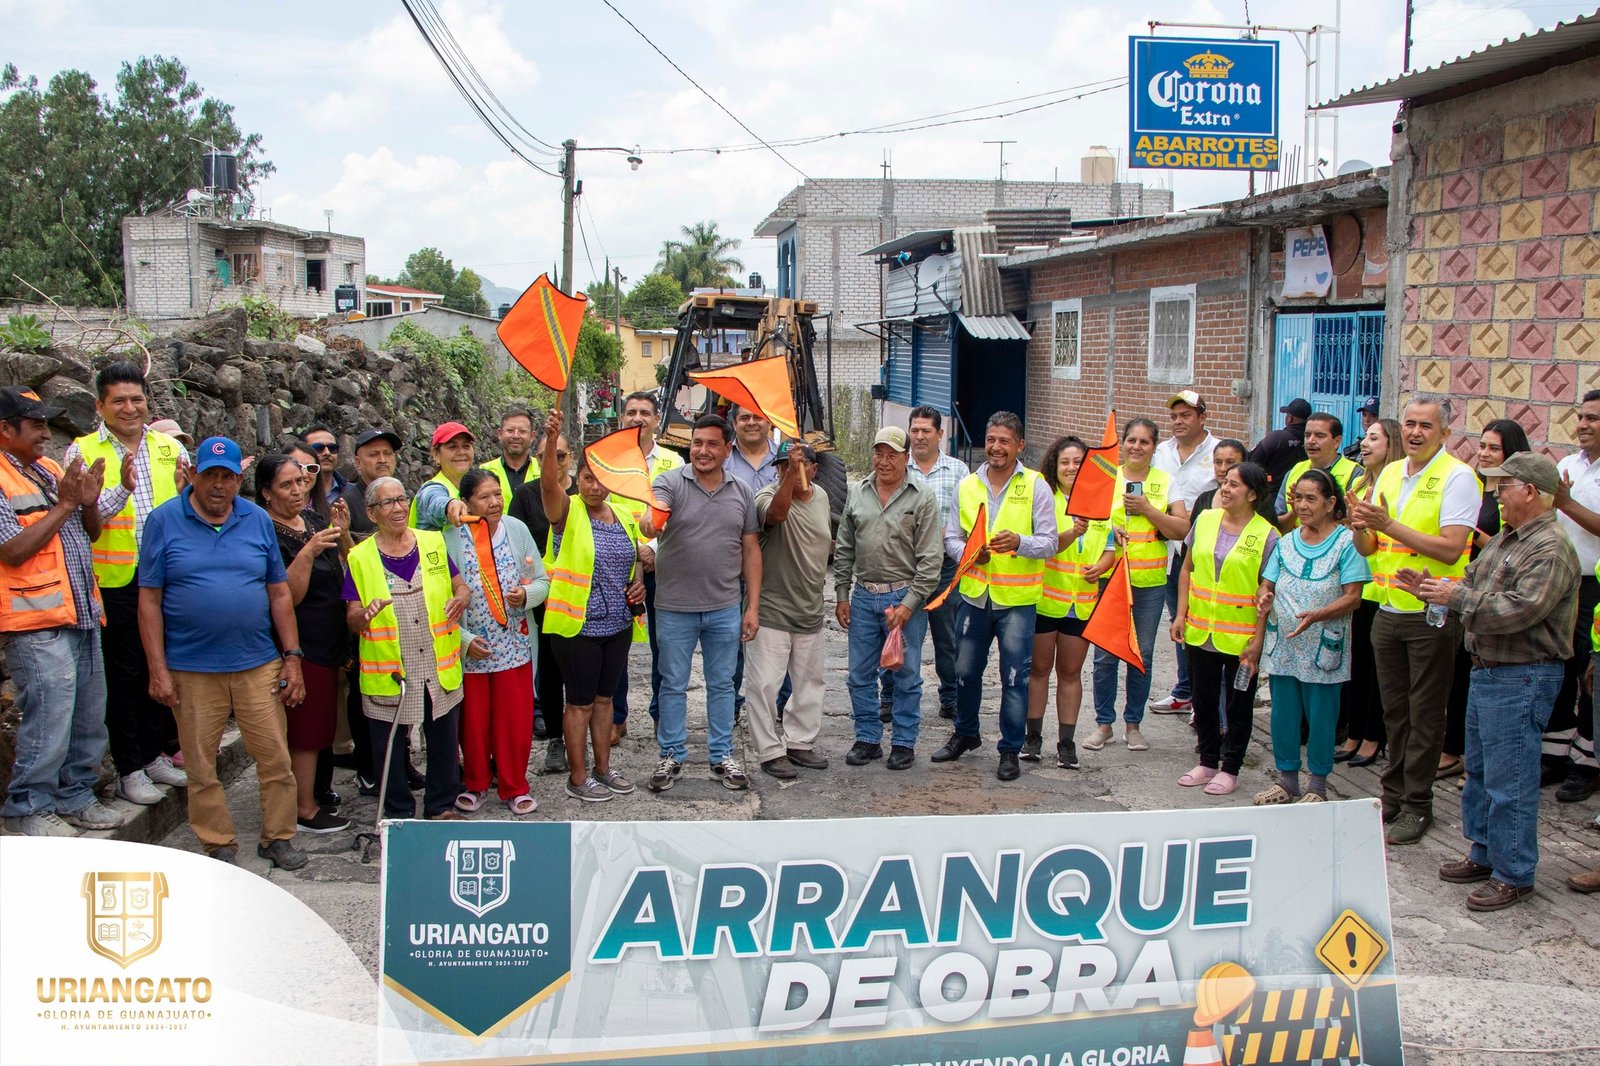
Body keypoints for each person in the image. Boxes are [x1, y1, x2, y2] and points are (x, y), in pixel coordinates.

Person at [1400, 452, 1578, 911]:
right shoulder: (1507, 539)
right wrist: (1431, 588)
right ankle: (1484, 853)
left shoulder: (1551, 547)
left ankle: (1515, 873)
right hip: (1491, 671)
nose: (1496, 493)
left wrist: (1456, 595)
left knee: (1510, 780)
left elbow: (1522, 609)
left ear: (1531, 493)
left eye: (1505, 485)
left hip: (1524, 674)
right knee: (1480, 773)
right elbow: (1473, 585)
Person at [139, 436, 308, 868]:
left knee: (275, 757)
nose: (219, 485)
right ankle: (218, 843)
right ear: (193, 474)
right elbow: (150, 600)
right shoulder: (164, 521)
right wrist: (157, 668)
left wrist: (292, 656)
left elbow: (278, 593)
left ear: (239, 479)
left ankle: (278, 836)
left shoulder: (255, 519)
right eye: (210, 475)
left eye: (228, 477)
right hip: (191, 667)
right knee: (199, 763)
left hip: (257, 662)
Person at [1348, 395, 1481, 846]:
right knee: (1394, 712)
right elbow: (1370, 548)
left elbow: (1449, 548)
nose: (1416, 432)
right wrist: (1359, 525)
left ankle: (1418, 805)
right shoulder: (1389, 472)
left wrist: (1384, 524)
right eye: (1409, 423)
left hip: (1431, 612)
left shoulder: (1458, 477)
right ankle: (1392, 795)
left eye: (1427, 425)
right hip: (1387, 607)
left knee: (1425, 713)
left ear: (1445, 432)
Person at [0, 387, 123, 837]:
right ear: (5, 430)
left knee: (89, 715)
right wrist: (69, 502)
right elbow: (12, 551)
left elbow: (87, 532)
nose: (46, 435)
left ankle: (76, 796)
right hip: (37, 622)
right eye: (36, 426)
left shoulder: (50, 470)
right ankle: (28, 807)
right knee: (49, 717)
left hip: (83, 610)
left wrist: (88, 501)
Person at [65, 361, 188, 807]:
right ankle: (130, 767)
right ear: (100, 405)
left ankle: (155, 754)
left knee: (162, 667)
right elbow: (85, 523)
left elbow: (183, 512)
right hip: (115, 581)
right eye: (119, 400)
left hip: (166, 580)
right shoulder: (81, 452)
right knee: (126, 674)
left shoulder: (169, 448)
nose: (129, 407)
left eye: (137, 399)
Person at [933, 412, 1057, 782]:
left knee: (1014, 677)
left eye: (1004, 441)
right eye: (991, 439)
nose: (995, 447)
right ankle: (966, 733)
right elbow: (952, 538)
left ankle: (1009, 749)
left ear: (1019, 445)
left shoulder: (1036, 486)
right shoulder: (968, 486)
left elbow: (1050, 542)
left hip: (1017, 603)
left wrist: (1020, 543)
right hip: (973, 597)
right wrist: (969, 553)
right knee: (965, 672)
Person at [642, 414, 760, 792]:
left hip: (725, 606)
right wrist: (651, 520)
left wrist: (752, 606)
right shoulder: (670, 482)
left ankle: (721, 755)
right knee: (672, 684)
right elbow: (652, 515)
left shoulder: (742, 491)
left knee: (723, 684)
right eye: (697, 443)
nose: (702, 451)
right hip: (674, 606)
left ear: (728, 449)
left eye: (712, 444)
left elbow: (751, 551)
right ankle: (671, 754)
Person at [344, 475, 471, 822]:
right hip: (390, 670)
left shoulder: (433, 543)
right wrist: (364, 616)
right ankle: (397, 812)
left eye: (402, 499)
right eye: (388, 502)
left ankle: (441, 806)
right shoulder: (360, 557)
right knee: (388, 746)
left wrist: (461, 600)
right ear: (371, 513)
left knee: (444, 738)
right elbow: (352, 615)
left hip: (436, 661)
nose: (398, 508)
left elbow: (461, 587)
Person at [538, 416, 645, 803]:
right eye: (587, 478)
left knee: (605, 701)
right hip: (577, 627)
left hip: (617, 625)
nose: (594, 486)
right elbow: (549, 485)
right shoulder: (567, 512)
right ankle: (578, 777)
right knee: (579, 704)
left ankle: (603, 768)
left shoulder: (621, 515)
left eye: (600, 479)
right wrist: (551, 443)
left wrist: (636, 581)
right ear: (577, 480)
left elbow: (630, 561)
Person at [1254, 468, 1370, 804]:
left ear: (1331, 502)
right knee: (1284, 714)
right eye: (1297, 498)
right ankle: (1287, 781)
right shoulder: (1287, 541)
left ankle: (1317, 786)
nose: (1302, 506)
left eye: (1310, 499)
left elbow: (1353, 597)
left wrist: (1318, 615)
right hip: (1286, 643)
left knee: (1322, 718)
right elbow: (1268, 583)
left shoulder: (1346, 544)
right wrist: (1264, 595)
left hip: (1323, 644)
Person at [835, 427, 943, 771]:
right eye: (878, 453)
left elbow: (931, 560)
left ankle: (903, 742)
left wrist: (909, 605)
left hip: (904, 597)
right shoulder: (858, 493)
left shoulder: (921, 497)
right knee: (859, 675)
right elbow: (844, 547)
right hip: (864, 596)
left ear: (905, 457)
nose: (883, 461)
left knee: (906, 674)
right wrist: (841, 594)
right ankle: (867, 738)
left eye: (892, 454)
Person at [256, 454, 353, 834]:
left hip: (328, 640)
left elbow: (345, 566)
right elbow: (287, 596)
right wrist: (310, 552)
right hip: (301, 643)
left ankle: (313, 794)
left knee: (321, 725)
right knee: (306, 730)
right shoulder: (268, 532)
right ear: (266, 493)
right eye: (286, 485)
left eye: (300, 481)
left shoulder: (312, 519)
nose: (298, 490)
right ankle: (303, 808)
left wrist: (342, 533)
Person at [1171, 461, 1278, 797]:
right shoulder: (1204, 519)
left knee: (1237, 705)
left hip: (1240, 637)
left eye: (1235, 484)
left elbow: (1266, 591)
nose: (1226, 488)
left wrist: (1257, 642)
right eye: (1225, 482)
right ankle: (1207, 761)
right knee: (1202, 700)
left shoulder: (1267, 535)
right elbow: (1187, 568)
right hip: (1200, 629)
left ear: (1253, 494)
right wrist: (1180, 614)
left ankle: (1231, 768)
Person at [446, 468, 548, 814]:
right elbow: (438, 599)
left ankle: (514, 785)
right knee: (473, 723)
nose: (494, 503)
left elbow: (543, 580)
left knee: (514, 721)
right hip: (472, 648)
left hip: (514, 646)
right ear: (466, 503)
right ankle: (475, 783)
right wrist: (462, 639)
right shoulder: (450, 537)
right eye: (484, 497)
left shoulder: (516, 531)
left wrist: (527, 594)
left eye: (498, 494)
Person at [1089, 418, 1189, 749]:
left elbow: (1181, 529)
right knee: (1105, 655)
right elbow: (1089, 523)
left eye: (1144, 442)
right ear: (1123, 443)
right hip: (1111, 581)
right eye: (1131, 440)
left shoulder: (1165, 482)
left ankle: (1133, 725)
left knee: (1141, 654)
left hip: (1149, 584)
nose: (1136, 447)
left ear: (1153, 447)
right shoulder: (1108, 479)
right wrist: (1109, 532)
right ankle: (1104, 724)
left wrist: (1147, 508)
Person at [1439, 420, 1530, 783]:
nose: (1484, 453)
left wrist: (1479, 540)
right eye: (1482, 445)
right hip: (1465, 588)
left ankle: (1472, 760)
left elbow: (1513, 543)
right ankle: (1454, 750)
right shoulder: (1472, 485)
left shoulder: (1512, 496)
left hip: (1495, 592)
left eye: (1493, 448)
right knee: (1460, 677)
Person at [1028, 436, 1114, 770]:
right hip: (1045, 601)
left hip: (1082, 604)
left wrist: (1102, 566)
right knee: (1038, 670)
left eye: (1078, 462)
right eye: (1065, 462)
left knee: (1070, 672)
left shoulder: (1100, 503)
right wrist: (1073, 533)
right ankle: (1032, 737)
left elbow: (1109, 546)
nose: (1071, 468)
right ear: (1054, 464)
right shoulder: (1045, 499)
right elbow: (1042, 546)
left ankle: (1066, 742)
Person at [747, 443, 833, 778]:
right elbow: (777, 515)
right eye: (783, 466)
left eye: (798, 465)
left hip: (810, 607)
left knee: (811, 682)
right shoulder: (766, 496)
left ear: (814, 468)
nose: (791, 471)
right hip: (772, 608)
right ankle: (770, 751)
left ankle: (800, 743)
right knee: (765, 684)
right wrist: (787, 479)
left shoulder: (823, 497)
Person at [606, 390, 683, 745]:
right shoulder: (607, 460)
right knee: (615, 647)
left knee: (662, 647)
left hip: (663, 566)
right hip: (616, 567)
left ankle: (660, 714)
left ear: (657, 420)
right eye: (631, 412)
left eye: (645, 413)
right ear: (622, 418)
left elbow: (681, 514)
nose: (638, 418)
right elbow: (598, 510)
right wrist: (631, 550)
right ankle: (616, 718)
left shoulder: (673, 462)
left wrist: (651, 547)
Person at [1335, 417, 1403, 767]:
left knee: (1378, 671)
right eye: (1365, 437)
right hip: (1353, 582)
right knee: (1355, 666)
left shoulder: (1394, 486)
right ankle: (1354, 732)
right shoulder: (1358, 483)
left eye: (1374, 439)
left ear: (1391, 444)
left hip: (1381, 589)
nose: (1365, 444)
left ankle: (1373, 737)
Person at [509, 429, 576, 774]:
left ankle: (586, 738)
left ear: (571, 458)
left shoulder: (584, 492)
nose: (554, 461)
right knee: (549, 670)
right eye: (547, 455)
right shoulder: (525, 495)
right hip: (544, 594)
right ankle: (555, 739)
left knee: (582, 670)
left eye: (560, 455)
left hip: (581, 596)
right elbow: (514, 540)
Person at [1149, 390, 1216, 715]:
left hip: (1206, 549)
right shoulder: (1161, 452)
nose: (1178, 421)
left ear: (1202, 417)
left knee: (1200, 618)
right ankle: (1185, 690)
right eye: (1174, 416)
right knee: (1178, 618)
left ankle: (1205, 697)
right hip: (1169, 548)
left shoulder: (1217, 452)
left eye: (1185, 415)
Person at [1550, 390, 1600, 803]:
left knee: (1589, 673)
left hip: (1594, 587)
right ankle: (1555, 754)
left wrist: (1564, 503)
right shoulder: (1566, 464)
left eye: (1594, 419)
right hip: (1559, 582)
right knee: (1560, 667)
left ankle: (1587, 764)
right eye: (1581, 416)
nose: (1583, 425)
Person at [905, 405, 969, 722]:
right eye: (914, 430)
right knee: (901, 636)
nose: (919, 436)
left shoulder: (958, 472)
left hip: (945, 569)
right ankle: (893, 696)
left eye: (925, 431)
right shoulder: (899, 467)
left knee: (948, 638)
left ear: (939, 435)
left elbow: (970, 518)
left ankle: (951, 697)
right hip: (906, 569)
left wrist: (947, 532)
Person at [1277, 413, 1357, 530]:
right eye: (1307, 435)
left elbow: (1354, 524)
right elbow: (1278, 526)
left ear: (1337, 442)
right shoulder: (1294, 471)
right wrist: (1294, 512)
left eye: (1319, 436)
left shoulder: (1354, 473)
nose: (1311, 441)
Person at [410, 421, 476, 531]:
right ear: (436, 454)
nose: (461, 452)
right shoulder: (431, 488)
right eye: (452, 447)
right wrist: (449, 506)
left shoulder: (470, 489)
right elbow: (435, 501)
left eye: (466, 446)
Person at [337, 428, 401, 541]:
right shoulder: (345, 505)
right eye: (373, 454)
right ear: (358, 462)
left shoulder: (402, 499)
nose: (382, 460)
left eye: (387, 453)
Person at [1250, 398, 1311, 496]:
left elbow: (1251, 461)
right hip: (1300, 495)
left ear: (1290, 418)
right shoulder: (1313, 441)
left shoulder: (1276, 438)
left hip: (1271, 495)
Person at [481, 408, 540, 505]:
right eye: (510, 430)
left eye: (522, 431)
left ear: (532, 436)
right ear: (499, 433)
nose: (516, 436)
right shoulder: (484, 471)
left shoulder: (543, 470)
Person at [724, 406, 779, 492]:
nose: (751, 423)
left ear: (769, 422)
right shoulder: (721, 459)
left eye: (758, 418)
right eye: (744, 418)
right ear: (734, 424)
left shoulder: (786, 458)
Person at [302, 425, 349, 518]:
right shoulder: (296, 494)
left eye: (332, 448)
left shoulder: (351, 492)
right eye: (318, 447)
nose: (327, 453)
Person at [1343, 397, 1381, 461]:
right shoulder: (1355, 449)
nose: (1366, 420)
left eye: (1373, 416)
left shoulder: (1382, 446)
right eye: (1364, 415)